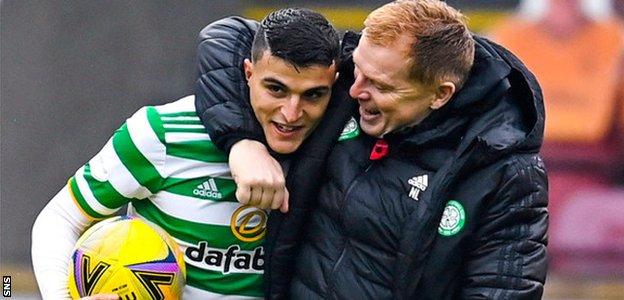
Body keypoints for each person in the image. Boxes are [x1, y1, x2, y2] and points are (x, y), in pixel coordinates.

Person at [195, 0, 548, 298]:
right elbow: (226, 37)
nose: (352, 90)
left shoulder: (505, 172)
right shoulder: (356, 78)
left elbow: (503, 288)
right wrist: (241, 143)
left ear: (441, 94)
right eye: (358, 71)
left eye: (379, 85)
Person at [31, 8, 341, 299]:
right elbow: (60, 219)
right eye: (276, 89)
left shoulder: (341, 142)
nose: (291, 113)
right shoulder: (162, 133)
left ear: (335, 87)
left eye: (313, 95)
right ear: (248, 72)